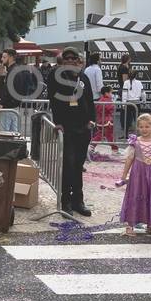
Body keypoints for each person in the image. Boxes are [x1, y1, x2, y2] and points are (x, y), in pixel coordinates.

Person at [50, 47, 96, 217]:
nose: (70, 61)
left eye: (73, 58)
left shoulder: (83, 77)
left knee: (78, 165)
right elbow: (53, 100)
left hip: (83, 127)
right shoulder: (56, 76)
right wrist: (58, 122)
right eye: (67, 58)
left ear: (78, 61)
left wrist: (92, 119)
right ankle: (65, 201)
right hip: (67, 128)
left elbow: (90, 99)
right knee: (68, 165)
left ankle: (78, 201)